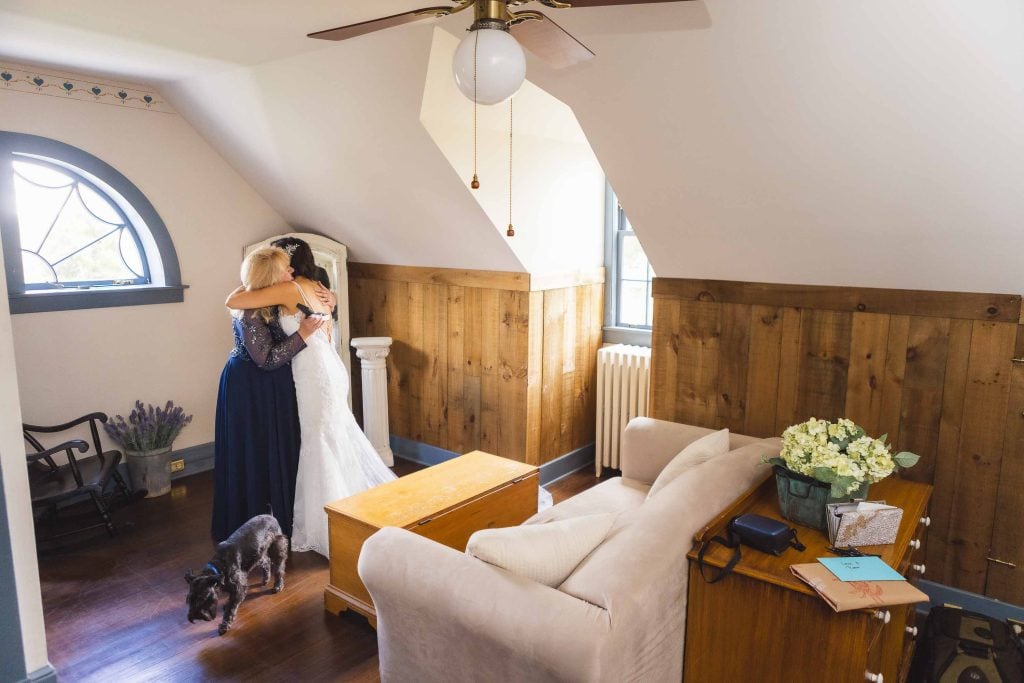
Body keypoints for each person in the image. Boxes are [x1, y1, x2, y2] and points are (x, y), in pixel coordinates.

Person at [225, 247, 396, 557]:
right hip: (327, 368)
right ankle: (347, 508)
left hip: (313, 371)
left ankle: (328, 523)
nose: (289, 272)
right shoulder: (314, 288)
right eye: (283, 268)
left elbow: (233, 301)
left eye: (290, 267)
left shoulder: (289, 288)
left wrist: (254, 282)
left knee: (318, 442)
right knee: (333, 437)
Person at [211, 247, 326, 542]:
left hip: (271, 385)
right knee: (255, 452)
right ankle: (252, 523)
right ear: (271, 276)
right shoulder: (249, 311)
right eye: (285, 269)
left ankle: (279, 516)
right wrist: (303, 334)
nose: (291, 273)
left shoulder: (269, 298)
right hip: (249, 388)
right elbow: (267, 359)